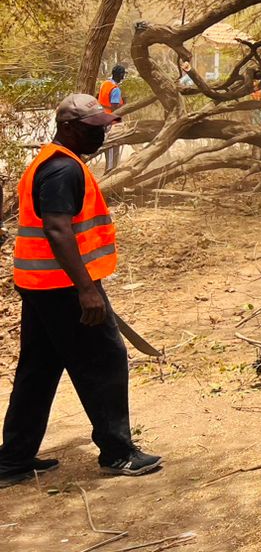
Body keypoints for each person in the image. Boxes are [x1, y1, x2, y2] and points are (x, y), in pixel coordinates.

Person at [0, 94, 162, 487]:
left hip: (41, 284)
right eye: (94, 128)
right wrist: (86, 289)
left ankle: (13, 460)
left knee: (38, 370)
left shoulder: (53, 162)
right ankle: (118, 453)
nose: (102, 134)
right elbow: (58, 229)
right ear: (69, 127)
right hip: (64, 288)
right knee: (105, 360)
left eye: (104, 126)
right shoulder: (61, 170)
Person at [96, 65, 126, 172]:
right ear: (120, 75)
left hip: (102, 118)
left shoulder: (104, 84)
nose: (123, 77)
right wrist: (124, 105)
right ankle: (110, 171)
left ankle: (109, 169)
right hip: (111, 121)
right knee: (113, 146)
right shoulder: (115, 89)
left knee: (107, 146)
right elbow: (114, 107)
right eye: (123, 74)